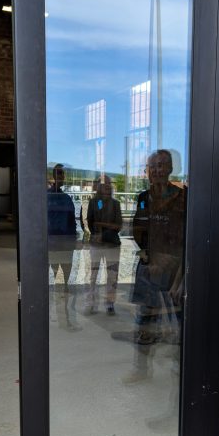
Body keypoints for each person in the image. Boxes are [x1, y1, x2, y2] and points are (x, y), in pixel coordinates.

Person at [112, 149, 186, 384]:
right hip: (148, 267)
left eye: (161, 165)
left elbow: (185, 236)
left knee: (180, 320)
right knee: (144, 319)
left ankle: (182, 371)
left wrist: (168, 259)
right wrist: (149, 257)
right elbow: (138, 230)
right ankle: (141, 369)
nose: (156, 170)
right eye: (152, 166)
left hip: (174, 271)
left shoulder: (182, 197)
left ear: (171, 168)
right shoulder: (143, 197)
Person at [85, 175, 123, 315]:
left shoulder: (116, 204)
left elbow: (118, 225)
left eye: (108, 183)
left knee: (112, 276)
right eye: (103, 183)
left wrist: (101, 226)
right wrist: (101, 230)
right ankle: (91, 303)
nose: (106, 185)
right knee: (93, 275)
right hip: (97, 243)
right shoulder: (93, 202)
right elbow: (90, 222)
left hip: (112, 244)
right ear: (98, 186)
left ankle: (110, 304)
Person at [47, 163, 78, 329]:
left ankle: (65, 319)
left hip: (65, 245)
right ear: (54, 176)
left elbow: (72, 221)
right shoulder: (47, 197)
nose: (61, 177)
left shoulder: (66, 198)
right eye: (59, 174)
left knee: (65, 283)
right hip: (52, 244)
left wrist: (74, 241)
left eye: (63, 174)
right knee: (52, 281)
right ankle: (54, 318)